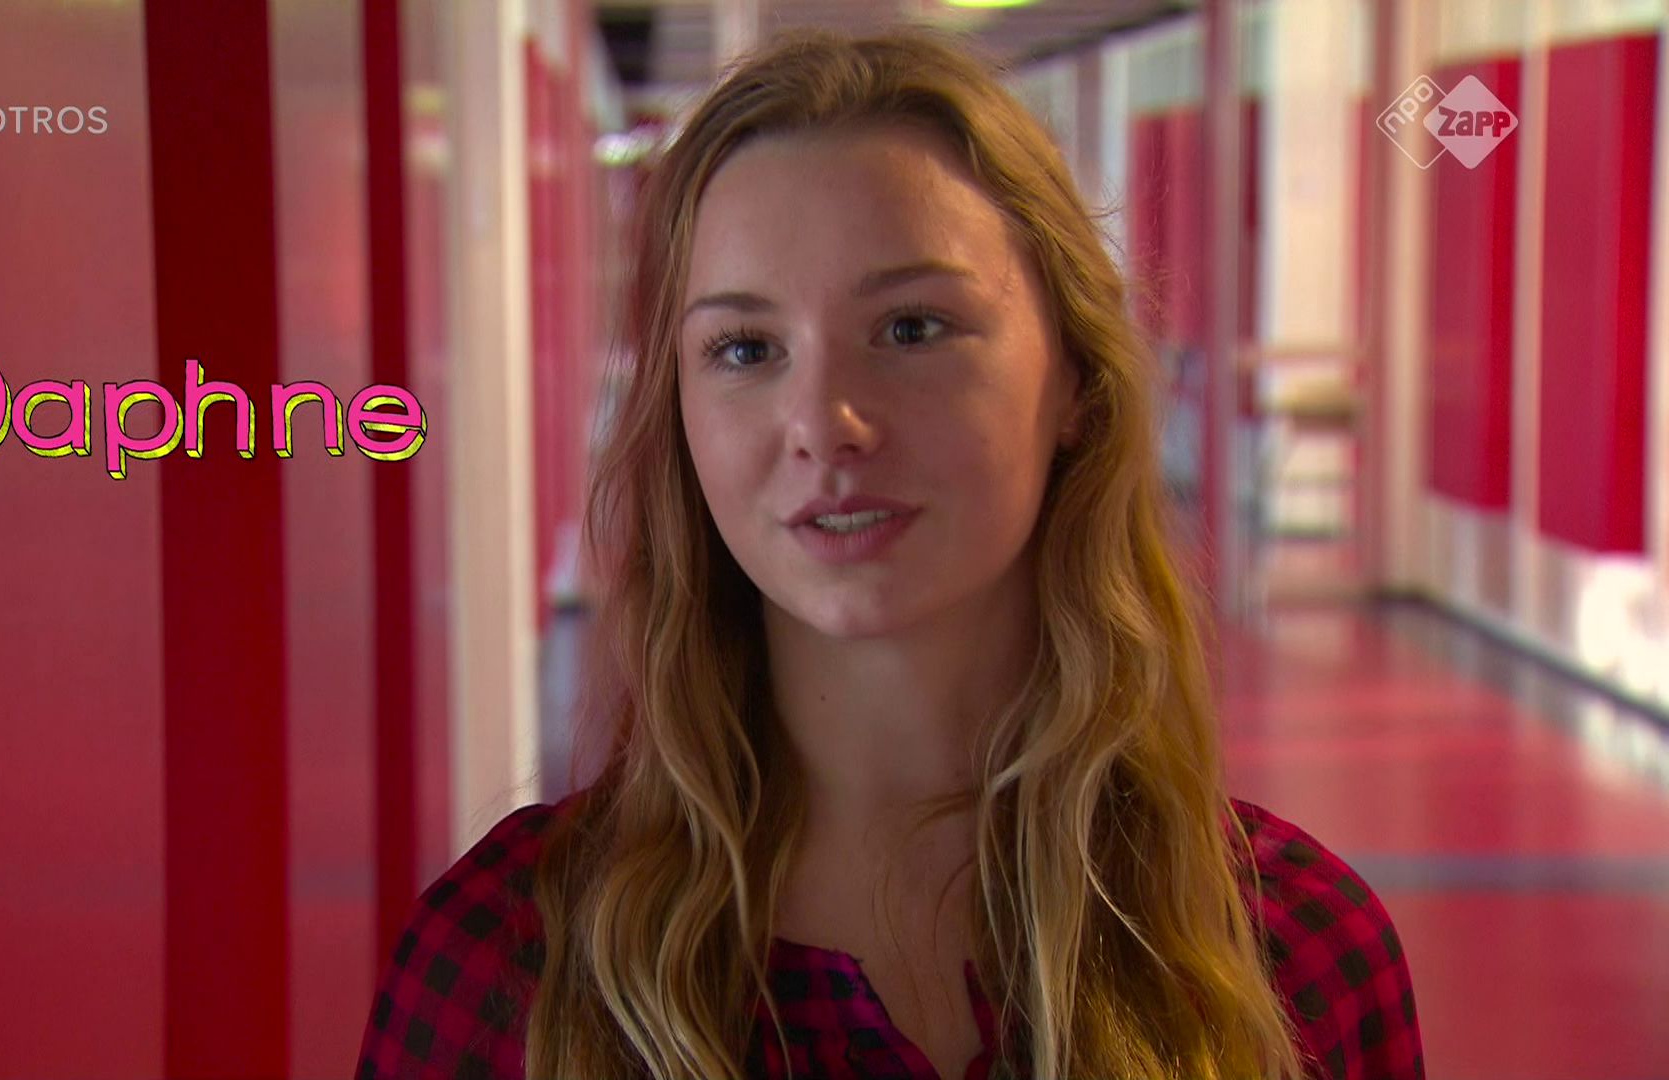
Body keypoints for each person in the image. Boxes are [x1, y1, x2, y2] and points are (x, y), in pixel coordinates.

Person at [355, 27, 1422, 1080]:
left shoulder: (1292, 956)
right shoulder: (507, 970)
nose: (826, 423)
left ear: (1076, 381)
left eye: (912, 328)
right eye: (746, 348)